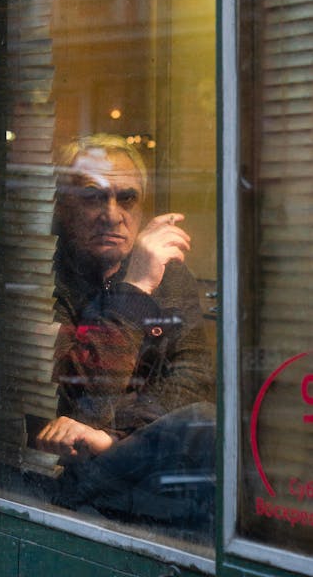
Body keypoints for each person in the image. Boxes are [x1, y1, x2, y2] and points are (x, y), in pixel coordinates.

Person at [35, 133, 215, 530]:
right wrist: (135, 290)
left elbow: (194, 378)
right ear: (63, 207)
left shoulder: (169, 271)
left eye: (126, 198)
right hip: (66, 480)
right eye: (92, 197)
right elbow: (81, 399)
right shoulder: (39, 272)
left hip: (136, 460)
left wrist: (117, 438)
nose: (112, 214)